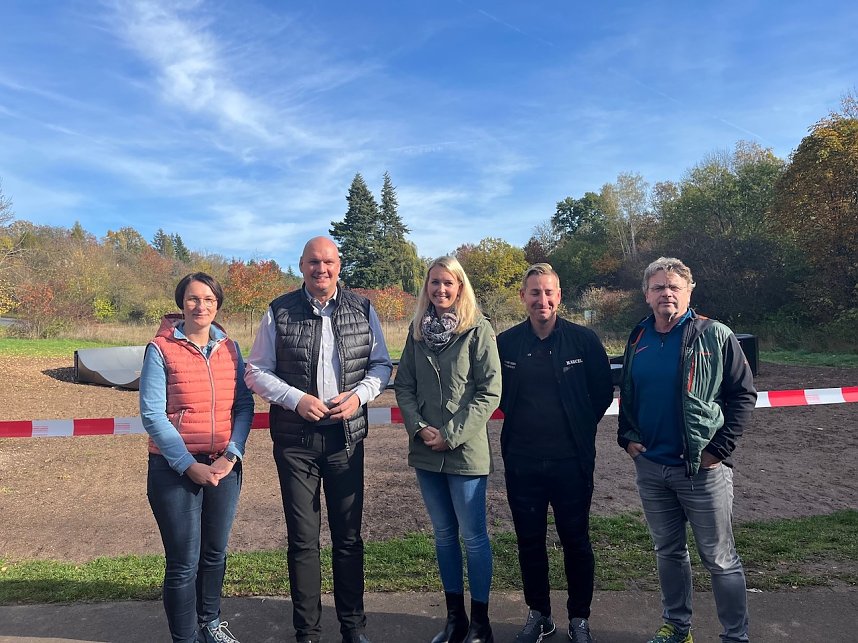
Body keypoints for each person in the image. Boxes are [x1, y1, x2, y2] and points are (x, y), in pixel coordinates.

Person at [244, 236, 392, 643]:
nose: (320, 268)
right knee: (303, 540)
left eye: (328, 261)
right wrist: (295, 400)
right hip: (296, 442)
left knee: (348, 538)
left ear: (339, 265)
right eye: (313, 262)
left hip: (345, 438)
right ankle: (307, 632)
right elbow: (255, 371)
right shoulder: (279, 310)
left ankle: (353, 628)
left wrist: (360, 396)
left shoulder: (363, 308)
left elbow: (381, 365)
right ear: (301, 266)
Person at [617, 257, 756, 643]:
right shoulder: (638, 337)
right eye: (658, 287)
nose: (667, 293)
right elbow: (627, 393)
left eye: (674, 286)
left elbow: (744, 395)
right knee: (669, 552)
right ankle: (677, 628)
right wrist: (627, 438)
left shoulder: (715, 334)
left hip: (702, 470)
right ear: (647, 295)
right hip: (651, 468)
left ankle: (734, 637)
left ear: (689, 291)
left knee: (720, 560)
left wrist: (719, 449)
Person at [497, 263, 613, 643]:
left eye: (549, 292)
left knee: (576, 540)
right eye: (535, 293)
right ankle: (540, 615)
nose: (542, 300)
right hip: (523, 462)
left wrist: (577, 428)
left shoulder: (584, 341)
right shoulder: (507, 343)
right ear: (523, 297)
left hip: (572, 462)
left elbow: (601, 394)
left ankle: (579, 619)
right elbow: (496, 395)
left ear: (559, 296)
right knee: (529, 541)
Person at [140, 272, 254, 643]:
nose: (200, 306)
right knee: (183, 564)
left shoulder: (231, 349)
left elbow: (244, 406)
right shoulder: (160, 349)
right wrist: (189, 466)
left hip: (224, 468)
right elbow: (152, 414)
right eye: (193, 299)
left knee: (215, 554)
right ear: (181, 303)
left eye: (208, 299)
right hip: (174, 470)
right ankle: (185, 637)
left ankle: (210, 623)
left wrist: (231, 457)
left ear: (217, 304)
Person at [394, 256, 502, 643]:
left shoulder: (478, 330)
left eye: (448, 283)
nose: (440, 290)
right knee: (443, 535)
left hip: (465, 451)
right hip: (426, 451)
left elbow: (490, 391)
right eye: (434, 282)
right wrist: (420, 427)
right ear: (427, 286)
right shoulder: (417, 332)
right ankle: (454, 620)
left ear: (460, 287)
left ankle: (481, 624)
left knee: (473, 537)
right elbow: (403, 384)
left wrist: (451, 434)